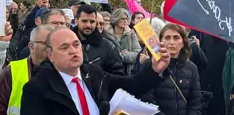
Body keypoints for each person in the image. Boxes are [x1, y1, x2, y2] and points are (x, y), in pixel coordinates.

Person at [20, 28, 171, 115]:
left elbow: (132, 85)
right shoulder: (36, 88)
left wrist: (154, 69)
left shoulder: (93, 73)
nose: (73, 51)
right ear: (50, 55)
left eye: (76, 45)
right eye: (64, 48)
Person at [0, 25, 54, 115]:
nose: (52, 49)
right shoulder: (12, 71)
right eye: (47, 44)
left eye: (56, 44)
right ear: (32, 46)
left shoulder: (65, 70)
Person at [141, 24, 202, 115]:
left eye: (176, 38)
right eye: (167, 38)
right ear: (160, 41)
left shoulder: (192, 68)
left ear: (183, 43)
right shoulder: (150, 65)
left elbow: (196, 101)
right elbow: (147, 99)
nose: (172, 42)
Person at [73, 5, 125, 76]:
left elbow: (118, 75)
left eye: (92, 22)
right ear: (76, 21)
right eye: (84, 21)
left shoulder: (108, 46)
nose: (88, 25)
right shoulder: (65, 43)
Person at [106, 8, 142, 75]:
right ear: (116, 19)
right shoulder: (106, 35)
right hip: (111, 72)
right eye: (122, 19)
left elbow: (138, 53)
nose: (125, 21)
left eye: (126, 19)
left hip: (128, 72)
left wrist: (122, 56)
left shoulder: (131, 34)